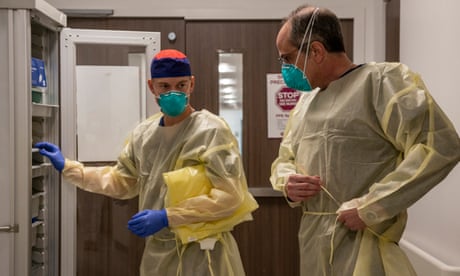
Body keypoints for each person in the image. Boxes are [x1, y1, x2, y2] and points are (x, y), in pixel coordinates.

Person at [270, 4, 460, 276]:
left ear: (316, 51)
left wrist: (372, 206)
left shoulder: (382, 82)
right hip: (313, 242)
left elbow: (440, 145)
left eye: (287, 58)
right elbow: (284, 158)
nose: (285, 68)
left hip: (366, 243)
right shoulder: (305, 104)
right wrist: (287, 181)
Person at [35, 49, 258, 276]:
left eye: (181, 85)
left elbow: (230, 196)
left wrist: (167, 216)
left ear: (192, 84)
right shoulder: (144, 135)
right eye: (165, 86)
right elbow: (122, 181)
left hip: (205, 253)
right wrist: (70, 168)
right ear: (152, 87)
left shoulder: (212, 130)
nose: (174, 93)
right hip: (159, 254)